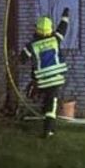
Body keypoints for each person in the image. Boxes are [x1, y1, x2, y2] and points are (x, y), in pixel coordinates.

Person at [21, 8, 71, 138]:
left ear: (37, 29)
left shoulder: (32, 45)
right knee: (51, 106)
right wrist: (65, 15)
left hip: (41, 82)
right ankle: (48, 130)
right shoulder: (55, 39)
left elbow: (22, 59)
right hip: (56, 79)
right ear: (50, 29)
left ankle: (44, 120)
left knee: (45, 101)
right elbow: (63, 28)